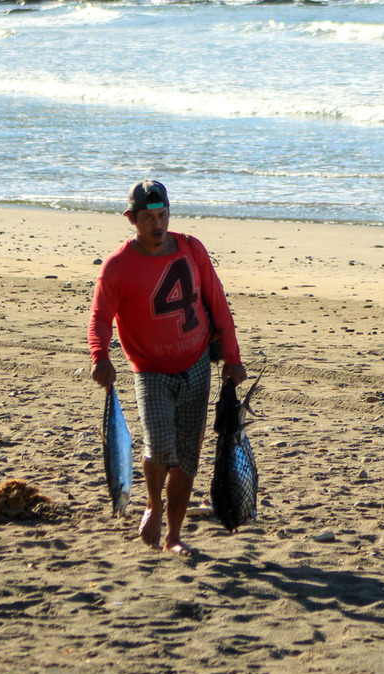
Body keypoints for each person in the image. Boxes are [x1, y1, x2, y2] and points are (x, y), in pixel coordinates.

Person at [89, 180, 248, 555]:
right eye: (148, 219)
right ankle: (152, 504)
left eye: (163, 216)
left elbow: (217, 302)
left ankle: (174, 536)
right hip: (149, 369)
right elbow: (100, 318)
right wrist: (100, 356)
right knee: (160, 446)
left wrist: (233, 358)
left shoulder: (192, 249)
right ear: (131, 219)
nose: (157, 226)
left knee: (188, 456)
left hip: (196, 364)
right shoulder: (117, 266)